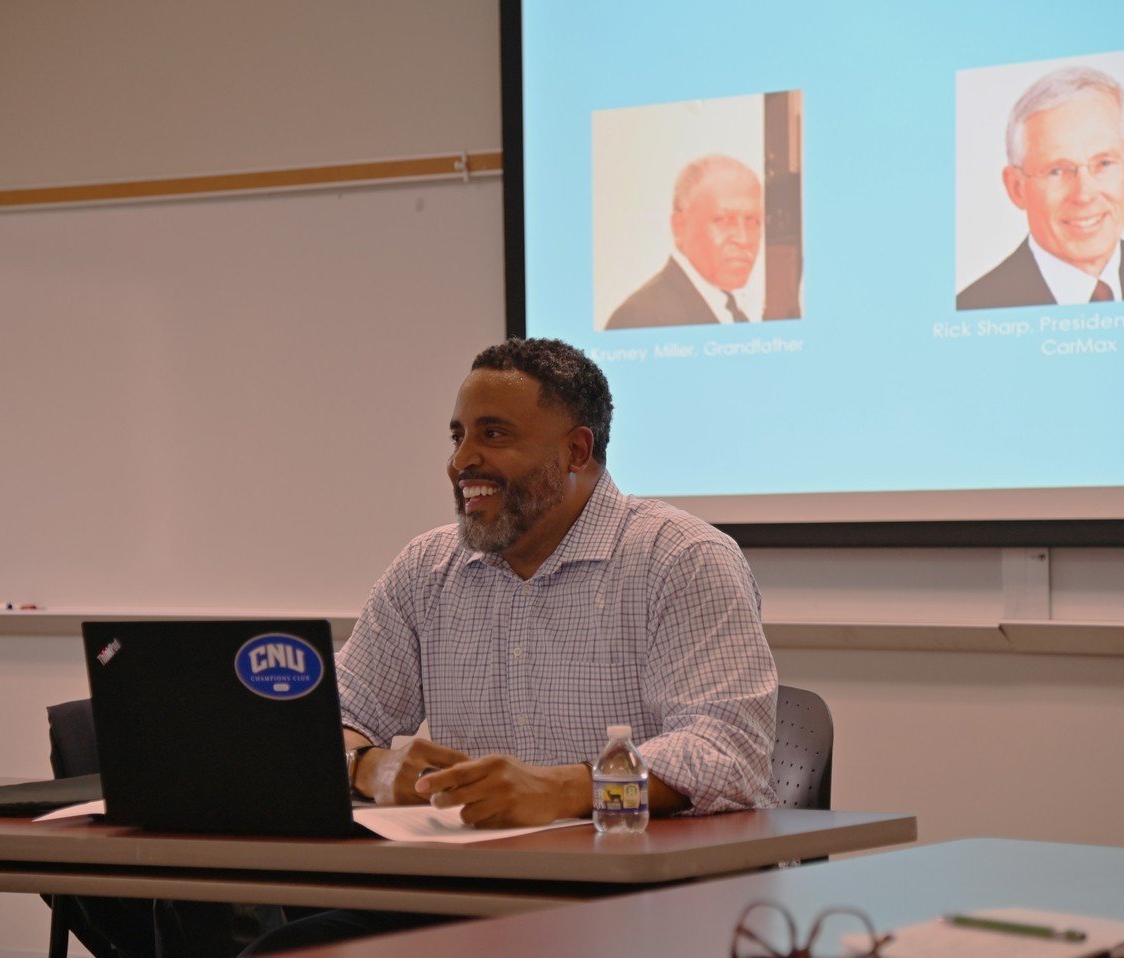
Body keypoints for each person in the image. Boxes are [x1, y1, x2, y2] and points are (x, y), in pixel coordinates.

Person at [242, 337, 778, 954]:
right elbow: (331, 722)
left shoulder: (679, 558)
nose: (461, 461)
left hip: (649, 906)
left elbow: (726, 753)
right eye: (457, 437)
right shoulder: (427, 569)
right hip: (470, 899)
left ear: (575, 450)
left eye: (492, 435)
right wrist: (371, 765)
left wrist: (561, 789)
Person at [957, 65, 1124, 311]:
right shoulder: (975, 308)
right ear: (1017, 188)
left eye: (1104, 163)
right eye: (1057, 170)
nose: (1084, 194)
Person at [607, 155, 770, 328]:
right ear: (680, 227)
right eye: (724, 220)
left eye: (753, 221)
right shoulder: (638, 318)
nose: (743, 239)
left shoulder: (733, 312)